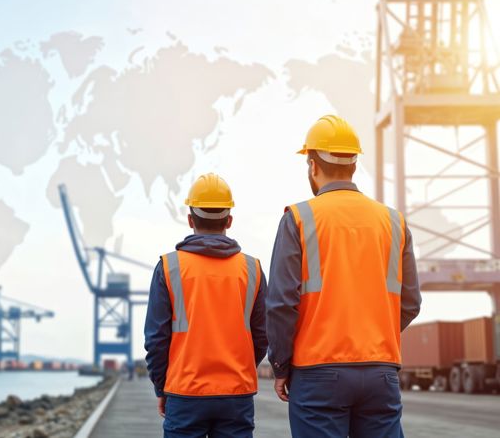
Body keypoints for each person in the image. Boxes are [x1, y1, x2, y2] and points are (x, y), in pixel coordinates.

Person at [266, 115, 422, 437]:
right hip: (381, 371)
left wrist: (280, 365)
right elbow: (411, 302)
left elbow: (281, 303)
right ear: (354, 164)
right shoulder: (393, 222)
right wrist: (374, 338)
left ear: (312, 165)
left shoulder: (299, 218)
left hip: (317, 372)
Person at [145, 173, 268, 438]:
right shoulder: (252, 269)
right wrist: (241, 369)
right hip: (236, 393)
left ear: (190, 219)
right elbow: (262, 335)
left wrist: (161, 386)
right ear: (229, 220)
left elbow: (156, 338)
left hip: (185, 391)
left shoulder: (169, 267)